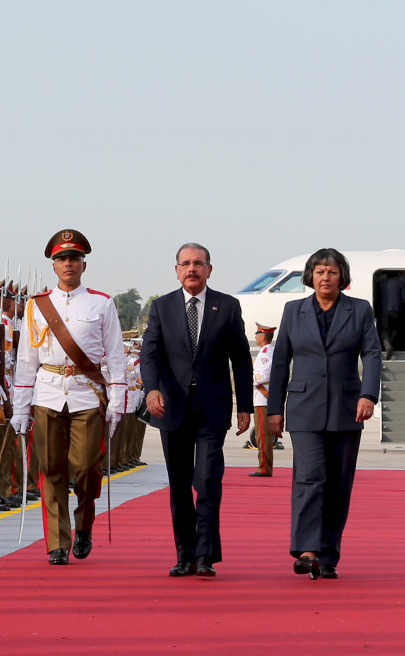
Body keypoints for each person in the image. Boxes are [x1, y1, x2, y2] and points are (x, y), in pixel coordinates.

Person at [265, 246, 382, 579]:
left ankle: (328, 557)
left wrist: (368, 395)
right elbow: (280, 362)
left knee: (338, 484)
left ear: (342, 277)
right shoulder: (293, 311)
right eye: (319, 272)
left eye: (332, 271)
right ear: (310, 276)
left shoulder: (360, 310)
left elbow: (372, 354)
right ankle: (307, 551)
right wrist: (275, 410)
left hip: (348, 409)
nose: (325, 277)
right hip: (304, 409)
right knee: (309, 478)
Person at [139, 243, 253, 577]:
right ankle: (185, 555)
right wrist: (152, 389)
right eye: (186, 263)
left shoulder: (227, 306)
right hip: (171, 408)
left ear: (209, 270)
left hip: (211, 408)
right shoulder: (162, 307)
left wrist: (245, 406)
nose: (192, 269)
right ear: (177, 270)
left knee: (207, 480)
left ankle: (206, 555)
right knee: (179, 485)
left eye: (198, 263)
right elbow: (150, 353)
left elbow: (241, 359)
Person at [12, 229, 124, 565]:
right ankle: (57, 542)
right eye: (62, 258)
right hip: (48, 393)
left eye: (74, 258)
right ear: (54, 265)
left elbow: (115, 355)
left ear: (83, 265)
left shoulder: (101, 303)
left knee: (87, 467)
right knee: (51, 468)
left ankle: (84, 525)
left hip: (86, 393)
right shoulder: (37, 305)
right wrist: (20, 408)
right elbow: (26, 359)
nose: (68, 264)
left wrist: (118, 401)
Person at [250, 323, 276, 475]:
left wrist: (248, 378)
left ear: (263, 337)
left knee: (263, 435)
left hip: (262, 398)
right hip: (260, 397)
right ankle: (264, 466)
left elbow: (263, 376)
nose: (255, 337)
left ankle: (264, 467)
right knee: (261, 435)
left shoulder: (266, 353)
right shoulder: (264, 352)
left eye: (257, 334)